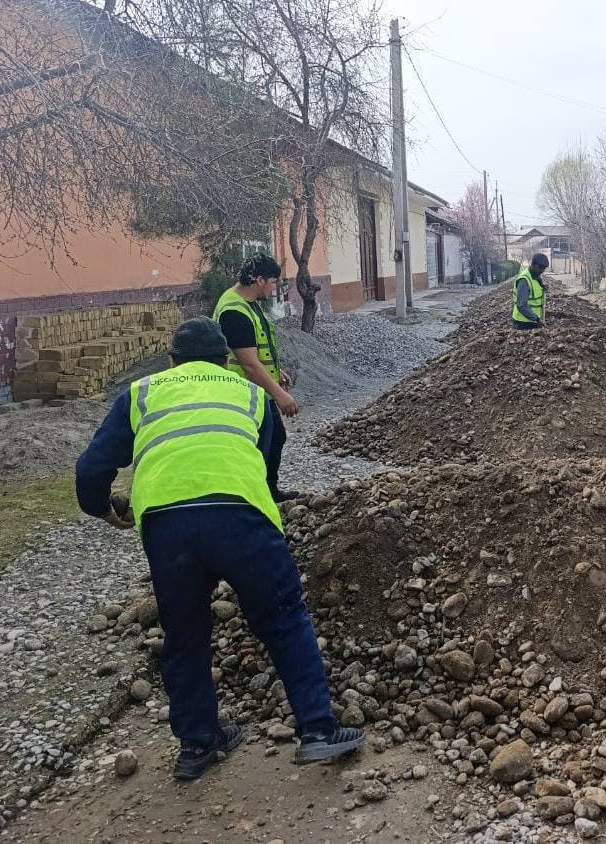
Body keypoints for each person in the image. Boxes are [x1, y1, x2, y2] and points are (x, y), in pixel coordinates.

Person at [75, 317, 364, 780]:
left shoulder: (142, 392)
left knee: (185, 634)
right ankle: (317, 732)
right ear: (225, 360)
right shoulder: (250, 394)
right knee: (285, 620)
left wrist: (103, 509)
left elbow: (91, 469)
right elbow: (268, 462)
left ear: (172, 360)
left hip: (169, 528)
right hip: (242, 519)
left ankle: (197, 744)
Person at [214, 254, 300, 502]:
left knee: (275, 438)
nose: (274, 288)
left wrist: (276, 371)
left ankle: (267, 492)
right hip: (243, 393)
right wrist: (280, 394)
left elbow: (258, 350)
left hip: (255, 389)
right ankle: (256, 497)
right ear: (259, 280)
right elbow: (249, 364)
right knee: (259, 445)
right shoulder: (234, 312)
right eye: (273, 282)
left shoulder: (249, 304)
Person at [512, 253, 549, 329]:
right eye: (541, 268)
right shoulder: (524, 281)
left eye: (544, 268)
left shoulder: (535, 275)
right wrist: (537, 319)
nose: (542, 271)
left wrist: (542, 286)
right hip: (523, 323)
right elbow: (521, 306)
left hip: (532, 320)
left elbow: (537, 284)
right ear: (533, 265)